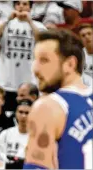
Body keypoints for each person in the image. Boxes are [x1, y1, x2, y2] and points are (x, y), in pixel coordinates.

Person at [23, 29, 93, 169]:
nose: (35, 69)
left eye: (44, 60)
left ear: (70, 64)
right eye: (35, 60)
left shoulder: (47, 107)